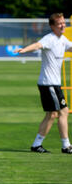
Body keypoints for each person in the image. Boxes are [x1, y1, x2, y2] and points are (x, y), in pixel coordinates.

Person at [14, 13, 72, 154]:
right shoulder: (49, 39)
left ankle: (37, 144)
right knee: (63, 112)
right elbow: (38, 45)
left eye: (64, 22)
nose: (63, 25)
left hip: (52, 84)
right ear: (53, 26)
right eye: (60, 23)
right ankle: (66, 146)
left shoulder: (62, 39)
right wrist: (24, 49)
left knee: (52, 115)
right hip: (49, 84)